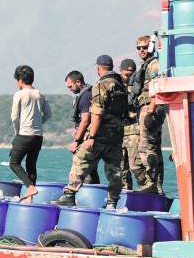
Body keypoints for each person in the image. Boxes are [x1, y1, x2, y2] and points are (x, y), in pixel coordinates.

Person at [54, 55, 127, 209]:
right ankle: (112, 201)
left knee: (80, 160)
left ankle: (69, 195)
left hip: (100, 134)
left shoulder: (101, 85)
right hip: (116, 136)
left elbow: (96, 113)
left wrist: (91, 136)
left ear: (98, 68)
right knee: (114, 170)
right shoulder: (121, 85)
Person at [10, 65, 51, 201]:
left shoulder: (19, 94)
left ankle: (30, 187)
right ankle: (29, 198)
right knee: (31, 165)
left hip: (24, 134)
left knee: (14, 163)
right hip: (38, 136)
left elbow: (14, 117)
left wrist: (17, 133)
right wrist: (38, 123)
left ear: (20, 80)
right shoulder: (40, 94)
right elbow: (48, 114)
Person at [132, 35, 166, 193]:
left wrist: (151, 110)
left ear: (151, 47)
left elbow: (158, 88)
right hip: (147, 107)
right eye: (138, 48)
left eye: (144, 47)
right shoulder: (147, 65)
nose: (141, 50)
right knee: (154, 148)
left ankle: (151, 183)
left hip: (150, 107)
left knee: (146, 147)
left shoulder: (154, 65)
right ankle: (157, 186)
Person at [64, 70, 100, 184]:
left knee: (80, 165)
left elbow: (85, 120)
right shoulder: (88, 93)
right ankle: (94, 194)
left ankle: (72, 194)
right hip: (91, 138)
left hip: (86, 138)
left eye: (70, 86)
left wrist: (76, 141)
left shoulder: (85, 96)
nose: (69, 89)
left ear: (78, 82)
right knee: (91, 169)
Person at [119, 59, 144, 190]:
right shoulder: (115, 85)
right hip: (118, 131)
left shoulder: (139, 86)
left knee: (136, 166)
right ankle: (125, 194)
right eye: (126, 74)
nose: (129, 76)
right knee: (121, 168)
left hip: (134, 131)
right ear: (120, 71)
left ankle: (147, 189)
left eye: (131, 73)